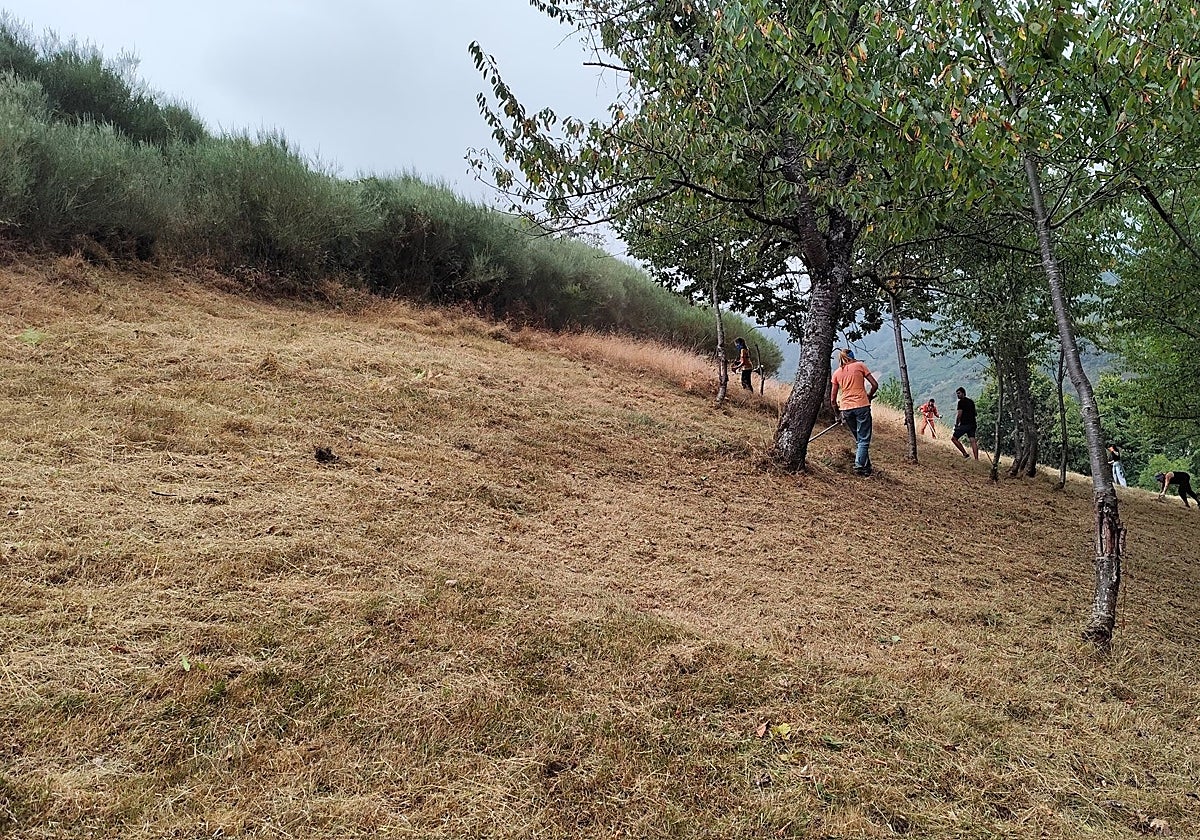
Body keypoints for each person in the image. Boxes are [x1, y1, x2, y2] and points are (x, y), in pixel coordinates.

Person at [830, 348, 879, 477]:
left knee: (859, 439)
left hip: (846, 409)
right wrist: (868, 396)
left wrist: (837, 415)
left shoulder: (836, 373)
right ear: (852, 357)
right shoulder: (860, 366)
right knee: (863, 439)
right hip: (862, 406)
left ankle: (866, 468)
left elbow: (832, 399)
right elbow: (874, 385)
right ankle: (859, 465)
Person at [951, 386, 979, 460]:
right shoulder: (971, 401)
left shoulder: (961, 402)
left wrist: (957, 424)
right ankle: (976, 459)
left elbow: (959, 414)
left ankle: (965, 454)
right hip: (973, 424)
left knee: (954, 438)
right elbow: (975, 413)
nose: (958, 395)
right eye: (957, 394)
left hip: (965, 424)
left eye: (959, 393)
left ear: (963, 393)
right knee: (973, 440)